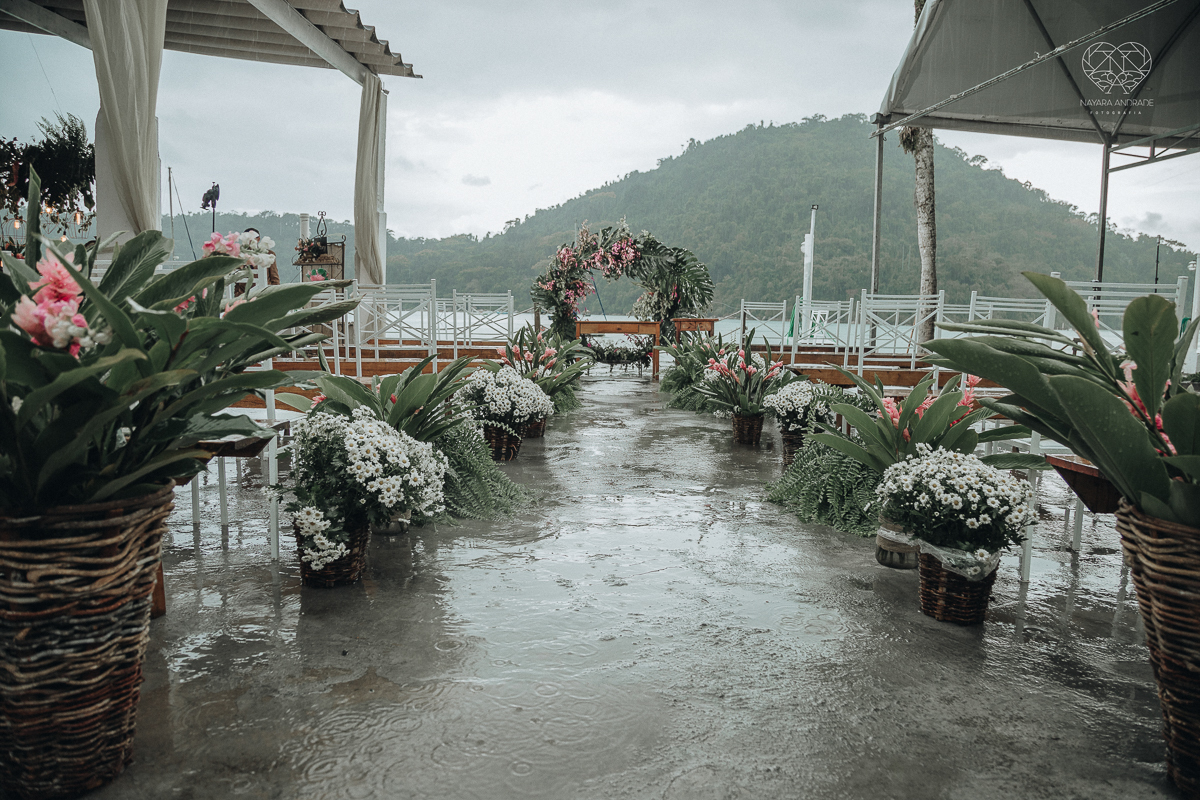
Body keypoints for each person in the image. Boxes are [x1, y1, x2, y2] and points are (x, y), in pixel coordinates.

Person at [233, 227, 279, 296]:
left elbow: (274, 277)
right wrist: (237, 294)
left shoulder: (268, 254)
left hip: (263, 293)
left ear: (258, 239)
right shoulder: (240, 255)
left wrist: (275, 294)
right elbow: (236, 277)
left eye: (251, 237)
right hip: (243, 294)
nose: (249, 240)